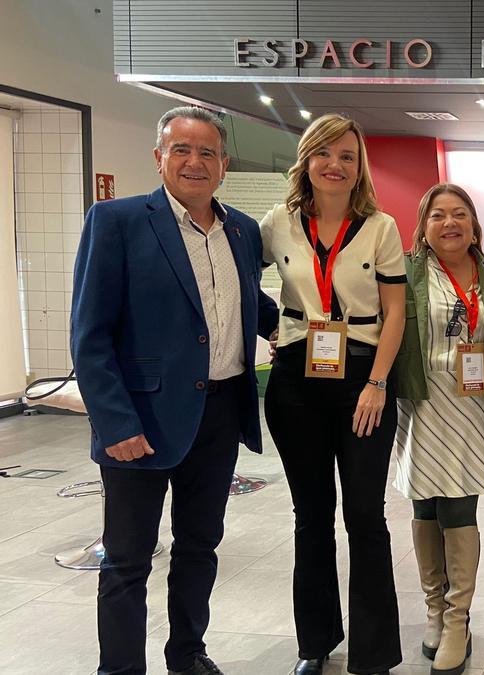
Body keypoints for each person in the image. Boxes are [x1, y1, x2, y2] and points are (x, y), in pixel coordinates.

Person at [71, 105, 277, 675]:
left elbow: (246, 303)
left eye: (207, 151)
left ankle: (187, 653)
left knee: (198, 549)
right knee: (127, 561)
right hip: (141, 419)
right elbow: (90, 336)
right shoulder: (116, 221)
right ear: (158, 157)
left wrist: (290, 327)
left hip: (219, 415)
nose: (194, 161)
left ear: (224, 164)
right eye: (181, 150)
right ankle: (120, 669)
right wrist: (115, 423)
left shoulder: (240, 228)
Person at [260, 113, 407, 675]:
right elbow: (231, 275)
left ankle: (373, 652)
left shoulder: (381, 227)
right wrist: (269, 325)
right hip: (297, 379)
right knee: (310, 515)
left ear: (359, 166)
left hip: (363, 376)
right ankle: (314, 642)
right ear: (306, 160)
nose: (335, 165)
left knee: (365, 515)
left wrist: (376, 384)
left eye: (347, 156)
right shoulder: (279, 223)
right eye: (324, 153)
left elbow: (396, 312)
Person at [391, 183, 484, 675]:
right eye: (438, 215)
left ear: (473, 223)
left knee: (459, 506)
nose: (450, 223)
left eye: (459, 214)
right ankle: (435, 610)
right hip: (420, 400)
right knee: (424, 503)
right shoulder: (404, 271)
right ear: (423, 225)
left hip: (474, 404)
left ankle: (459, 621)